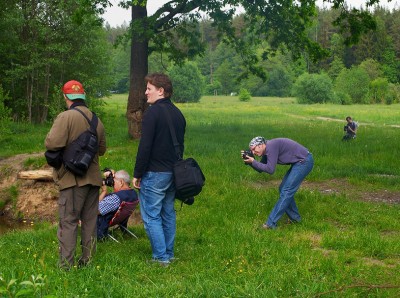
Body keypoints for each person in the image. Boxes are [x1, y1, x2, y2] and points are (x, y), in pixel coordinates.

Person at [45, 80, 106, 269]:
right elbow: (102, 150)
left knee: (69, 221)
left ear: (66, 97)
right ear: (83, 96)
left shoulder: (65, 117)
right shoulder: (96, 120)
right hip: (94, 180)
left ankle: (66, 265)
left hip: (73, 180)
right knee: (89, 222)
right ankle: (87, 262)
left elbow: (51, 144)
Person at [133, 73, 186, 266]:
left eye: (149, 89)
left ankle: (161, 258)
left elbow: (144, 147)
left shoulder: (152, 113)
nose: (146, 92)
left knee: (151, 215)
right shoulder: (178, 113)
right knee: (167, 213)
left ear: (161, 91)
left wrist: (137, 173)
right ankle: (168, 254)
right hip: (173, 172)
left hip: (155, 173)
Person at [241, 137, 314, 229]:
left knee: (286, 191)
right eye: (252, 151)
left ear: (261, 145)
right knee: (283, 189)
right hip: (298, 163)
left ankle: (270, 224)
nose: (254, 152)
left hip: (304, 162)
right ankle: (295, 219)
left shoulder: (271, 146)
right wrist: (250, 161)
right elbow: (260, 169)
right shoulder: (266, 150)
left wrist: (253, 161)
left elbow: (270, 170)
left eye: (254, 149)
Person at [97, 169, 138, 240]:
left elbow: (95, 211)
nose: (112, 184)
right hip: (119, 220)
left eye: (114, 182)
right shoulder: (133, 194)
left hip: (102, 221)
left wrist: (104, 191)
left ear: (121, 182)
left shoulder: (115, 198)